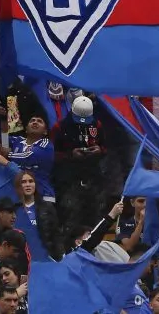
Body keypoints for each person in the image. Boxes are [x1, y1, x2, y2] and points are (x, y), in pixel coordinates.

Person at [53, 95, 106, 233]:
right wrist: (70, 155)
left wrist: (99, 150)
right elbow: (51, 153)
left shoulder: (97, 125)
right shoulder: (60, 127)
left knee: (95, 214)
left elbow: (107, 147)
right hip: (68, 179)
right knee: (71, 215)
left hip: (93, 177)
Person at [13, 171, 62, 261]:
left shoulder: (47, 207)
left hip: (45, 259)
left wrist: (59, 256)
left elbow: (55, 234)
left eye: (31, 181)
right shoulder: (13, 210)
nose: (28, 185)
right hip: (21, 261)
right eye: (23, 182)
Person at [7, 113, 56, 202]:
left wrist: (7, 157)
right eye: (32, 121)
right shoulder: (17, 140)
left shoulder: (47, 144)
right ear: (26, 129)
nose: (35, 122)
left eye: (39, 121)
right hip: (18, 195)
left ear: (45, 131)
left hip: (42, 196)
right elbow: (1, 139)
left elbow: (28, 157)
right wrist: (1, 119)